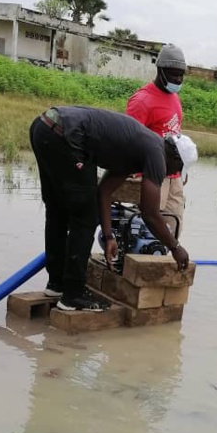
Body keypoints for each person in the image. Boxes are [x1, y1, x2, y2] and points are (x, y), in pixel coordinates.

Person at [29, 105, 189, 312]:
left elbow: (104, 192)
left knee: (57, 211)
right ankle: (73, 295)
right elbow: (150, 213)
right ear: (175, 158)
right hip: (66, 135)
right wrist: (175, 247)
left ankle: (57, 284)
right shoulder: (157, 154)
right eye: (177, 169)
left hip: (43, 127)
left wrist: (108, 235)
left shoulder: (139, 148)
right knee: (85, 218)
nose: (172, 173)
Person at [126, 42, 188, 236]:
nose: (178, 79)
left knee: (173, 228)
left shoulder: (174, 97)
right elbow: (128, 141)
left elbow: (175, 133)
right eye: (173, 74)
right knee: (147, 232)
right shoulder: (142, 101)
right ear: (160, 70)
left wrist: (182, 167)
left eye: (181, 75)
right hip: (152, 177)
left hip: (174, 178)